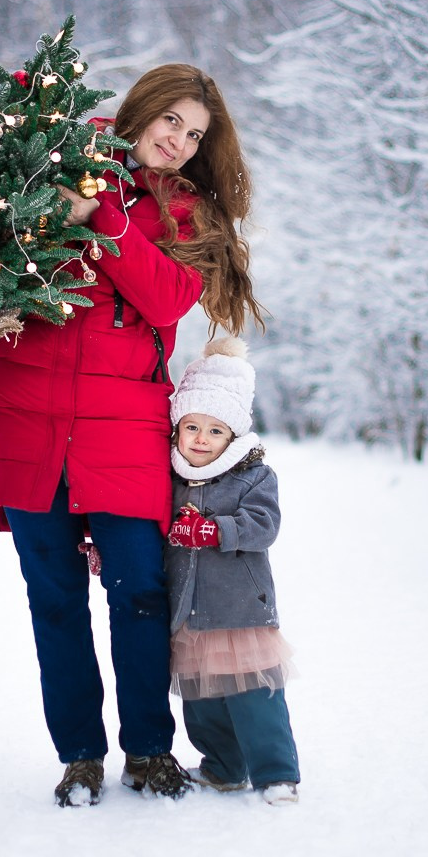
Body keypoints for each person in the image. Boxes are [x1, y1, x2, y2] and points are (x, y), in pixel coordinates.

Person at [0, 64, 264, 807]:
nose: (179, 142)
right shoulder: (54, 162)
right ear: (142, 110)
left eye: (194, 134)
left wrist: (108, 221)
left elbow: (166, 300)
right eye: (172, 122)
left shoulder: (187, 212)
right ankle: (79, 756)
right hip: (24, 410)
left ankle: (149, 748)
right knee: (53, 595)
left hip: (122, 423)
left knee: (140, 591)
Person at [165, 337, 300, 805]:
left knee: (255, 698)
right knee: (202, 703)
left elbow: (265, 525)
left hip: (241, 610)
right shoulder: (170, 478)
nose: (201, 439)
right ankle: (222, 768)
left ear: (234, 436)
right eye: (192, 426)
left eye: (215, 430)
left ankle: (276, 774)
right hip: (190, 612)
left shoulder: (253, 477)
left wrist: (214, 530)